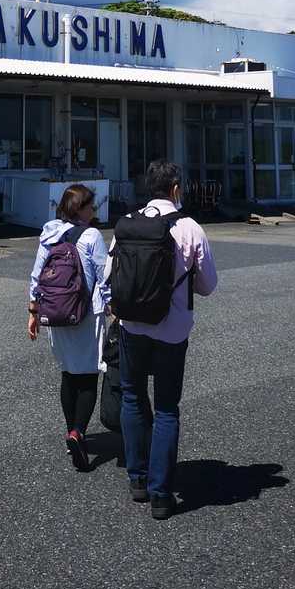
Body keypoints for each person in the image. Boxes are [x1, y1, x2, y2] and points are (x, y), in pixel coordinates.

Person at [111, 159, 217, 520]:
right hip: (172, 329)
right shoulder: (189, 228)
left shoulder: (127, 224)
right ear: (175, 189)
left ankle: (138, 479)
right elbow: (208, 285)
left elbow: (112, 276)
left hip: (132, 326)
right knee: (167, 407)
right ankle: (160, 494)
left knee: (132, 396)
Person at [27, 183, 110, 472]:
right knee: (88, 375)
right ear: (80, 208)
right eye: (91, 206)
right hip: (86, 314)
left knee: (68, 373)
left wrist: (33, 311)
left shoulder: (50, 233)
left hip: (55, 312)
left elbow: (37, 276)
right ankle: (78, 432)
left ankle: (69, 432)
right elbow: (104, 277)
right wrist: (114, 309)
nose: (94, 210)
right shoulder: (92, 235)